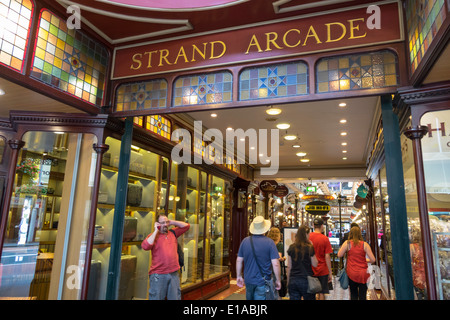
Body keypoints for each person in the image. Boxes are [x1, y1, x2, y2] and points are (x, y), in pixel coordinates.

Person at [141, 214, 190, 300]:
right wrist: (156, 230)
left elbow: (186, 226)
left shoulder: (173, 233)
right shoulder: (153, 236)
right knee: (156, 298)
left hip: (174, 273)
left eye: (166, 222)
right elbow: (145, 246)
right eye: (162, 222)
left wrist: (171, 222)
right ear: (157, 223)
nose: (165, 225)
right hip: (158, 274)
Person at [236, 216, 282, 300]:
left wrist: (239, 276)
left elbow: (239, 260)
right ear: (264, 229)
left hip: (248, 280)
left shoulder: (245, 241)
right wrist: (278, 280)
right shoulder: (269, 243)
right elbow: (275, 264)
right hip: (263, 281)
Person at [337, 226, 376, 300]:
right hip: (363, 274)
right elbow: (373, 259)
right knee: (362, 295)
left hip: (352, 273)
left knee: (353, 294)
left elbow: (339, 255)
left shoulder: (347, 243)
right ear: (360, 234)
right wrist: (365, 260)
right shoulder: (365, 244)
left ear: (350, 233)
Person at [286, 225, 318, 300]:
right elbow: (315, 264)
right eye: (309, 234)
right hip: (306, 279)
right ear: (306, 235)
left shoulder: (291, 247)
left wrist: (288, 281)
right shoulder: (309, 247)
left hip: (294, 279)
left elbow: (289, 266)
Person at [309, 217, 333, 300]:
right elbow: (327, 256)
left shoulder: (308, 237)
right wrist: (330, 272)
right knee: (322, 292)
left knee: (310, 293)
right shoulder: (325, 239)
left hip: (310, 269)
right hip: (322, 269)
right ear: (322, 226)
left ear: (313, 225)